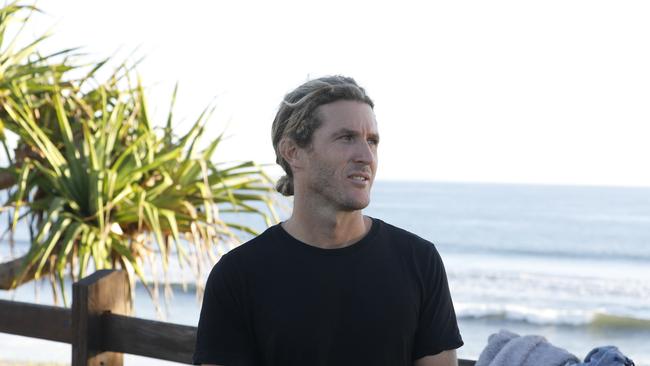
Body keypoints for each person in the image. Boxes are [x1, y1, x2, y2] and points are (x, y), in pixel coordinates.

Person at [193, 76, 463, 366]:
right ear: (293, 152)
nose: (365, 156)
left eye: (372, 141)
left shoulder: (419, 261)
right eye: (346, 138)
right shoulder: (238, 275)